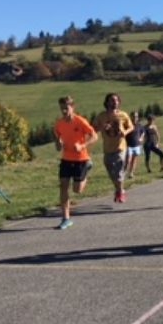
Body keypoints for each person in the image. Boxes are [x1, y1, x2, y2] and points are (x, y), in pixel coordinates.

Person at [53, 96, 98, 230]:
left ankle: (87, 168)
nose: (64, 111)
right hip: (66, 159)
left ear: (73, 107)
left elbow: (94, 136)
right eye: (62, 109)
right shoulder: (59, 124)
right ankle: (66, 218)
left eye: (66, 108)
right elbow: (57, 146)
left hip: (81, 159)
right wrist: (58, 143)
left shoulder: (80, 121)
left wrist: (83, 145)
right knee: (63, 186)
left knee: (77, 190)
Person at [92, 93, 134, 203]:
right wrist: (102, 127)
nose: (114, 102)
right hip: (107, 149)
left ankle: (120, 192)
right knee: (111, 172)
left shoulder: (123, 115)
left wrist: (124, 132)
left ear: (119, 102)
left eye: (116, 100)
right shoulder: (101, 116)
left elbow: (131, 127)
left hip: (120, 148)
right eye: (112, 100)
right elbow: (93, 129)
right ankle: (119, 189)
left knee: (119, 172)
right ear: (107, 102)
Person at [124, 110, 144, 180]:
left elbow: (143, 132)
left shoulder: (139, 125)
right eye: (134, 116)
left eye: (136, 116)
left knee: (134, 160)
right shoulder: (127, 125)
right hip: (129, 145)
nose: (135, 118)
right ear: (131, 117)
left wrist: (141, 138)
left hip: (137, 145)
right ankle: (124, 173)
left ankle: (131, 173)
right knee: (128, 160)